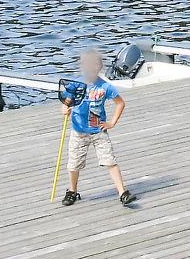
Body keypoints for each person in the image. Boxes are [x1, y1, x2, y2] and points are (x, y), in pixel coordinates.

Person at [58, 48, 136, 208]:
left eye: (93, 66)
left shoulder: (105, 87)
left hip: (98, 131)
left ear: (99, 67)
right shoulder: (76, 84)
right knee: (73, 164)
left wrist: (112, 122)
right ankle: (72, 190)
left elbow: (120, 103)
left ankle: (122, 193)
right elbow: (67, 101)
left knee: (110, 161)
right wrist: (65, 108)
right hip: (78, 131)